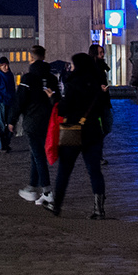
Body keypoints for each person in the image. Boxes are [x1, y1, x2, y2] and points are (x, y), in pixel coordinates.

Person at [45, 54, 107, 219]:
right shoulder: (96, 84)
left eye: (72, 64)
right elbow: (103, 108)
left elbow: (64, 108)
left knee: (64, 170)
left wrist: (54, 98)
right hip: (93, 132)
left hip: (73, 131)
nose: (70, 67)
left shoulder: (73, 84)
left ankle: (56, 205)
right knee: (95, 171)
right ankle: (99, 209)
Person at [13, 62, 55, 205]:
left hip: (32, 123)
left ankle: (47, 191)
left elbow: (20, 101)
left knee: (39, 156)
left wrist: (11, 120)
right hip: (47, 123)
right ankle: (32, 187)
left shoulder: (28, 80)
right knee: (36, 155)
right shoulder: (52, 79)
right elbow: (57, 100)